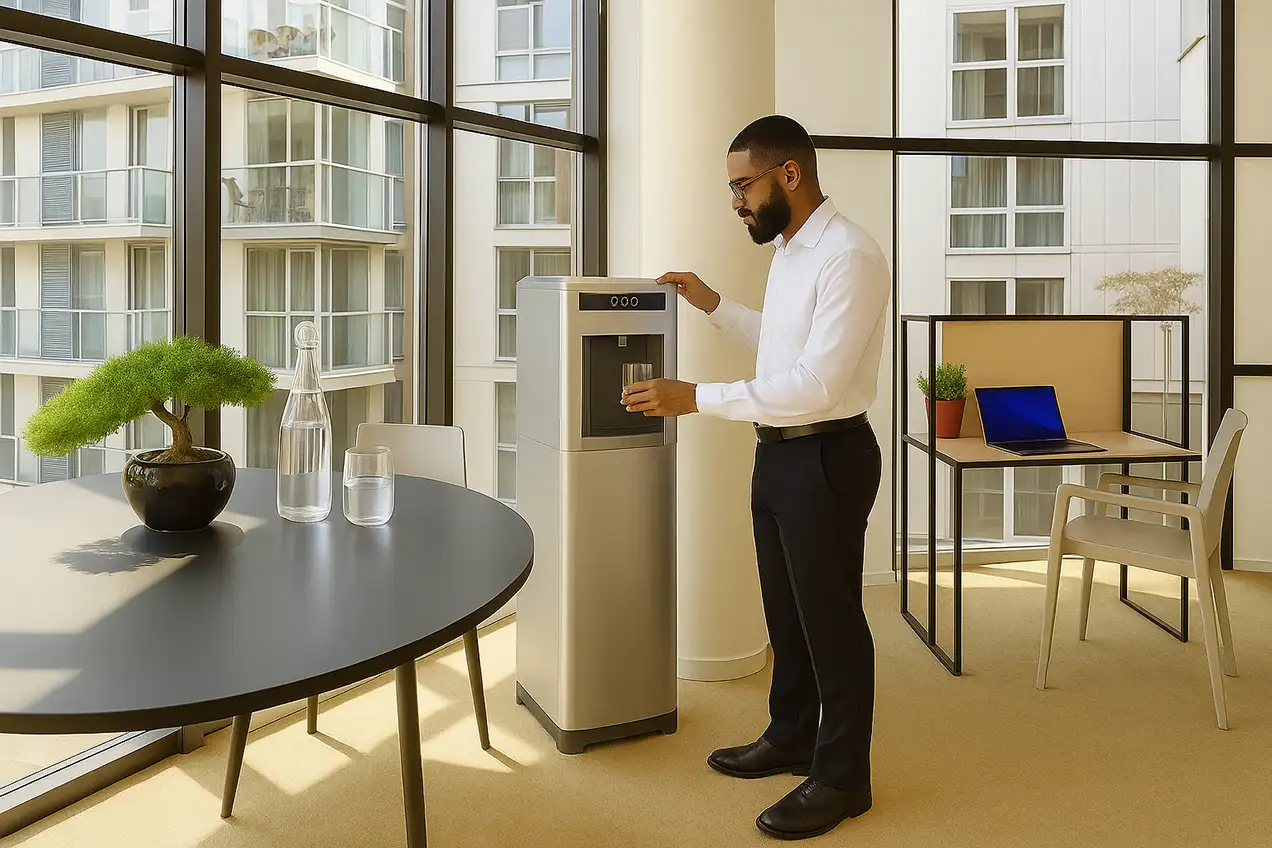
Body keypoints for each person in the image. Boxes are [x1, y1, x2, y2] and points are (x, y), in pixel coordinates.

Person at [620, 114, 890, 840]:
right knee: (787, 611)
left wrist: (696, 398)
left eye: (743, 186)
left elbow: (815, 382)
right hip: (780, 452)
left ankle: (842, 778)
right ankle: (793, 735)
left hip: (828, 453)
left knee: (831, 620)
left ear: (790, 175)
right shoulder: (793, 249)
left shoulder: (851, 255)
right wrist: (713, 304)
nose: (736, 201)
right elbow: (780, 346)